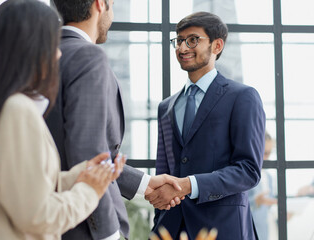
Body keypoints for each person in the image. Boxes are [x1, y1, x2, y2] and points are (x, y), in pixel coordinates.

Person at [0, 0, 126, 239]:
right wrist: (89, 190)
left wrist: (82, 174)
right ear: (32, 48)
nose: (57, 53)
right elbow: (38, 216)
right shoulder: (17, 110)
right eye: (50, 43)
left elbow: (25, 187)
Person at [45, 0, 181, 239]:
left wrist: (145, 183)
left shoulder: (40, 56)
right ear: (100, 4)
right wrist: (108, 233)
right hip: (82, 226)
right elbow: (89, 153)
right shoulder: (87, 56)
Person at [145, 12, 266, 239]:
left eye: (192, 40)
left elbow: (248, 171)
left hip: (224, 229)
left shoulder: (243, 97)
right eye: (178, 41)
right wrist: (158, 224)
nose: (182, 48)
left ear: (217, 45)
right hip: (171, 228)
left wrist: (189, 184)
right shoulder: (166, 107)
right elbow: (164, 173)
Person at [248, 132, 278, 240]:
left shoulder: (269, 177)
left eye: (269, 153)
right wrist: (255, 201)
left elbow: (268, 209)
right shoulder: (246, 175)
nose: (267, 157)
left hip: (266, 232)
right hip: (249, 231)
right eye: (264, 153)